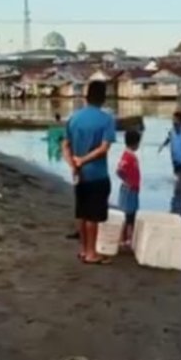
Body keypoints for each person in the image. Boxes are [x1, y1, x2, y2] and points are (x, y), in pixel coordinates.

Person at [62, 80, 116, 264]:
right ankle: (92, 253)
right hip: (97, 174)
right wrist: (84, 160)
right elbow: (104, 148)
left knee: (82, 213)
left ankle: (84, 250)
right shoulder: (106, 119)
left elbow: (65, 145)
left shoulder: (74, 118)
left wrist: (74, 164)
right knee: (93, 215)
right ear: (103, 98)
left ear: (87, 96)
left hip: (79, 175)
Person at [116, 129, 142, 252]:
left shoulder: (130, 155)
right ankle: (124, 240)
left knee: (131, 215)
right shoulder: (128, 156)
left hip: (133, 189)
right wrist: (127, 181)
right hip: (129, 190)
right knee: (128, 215)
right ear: (135, 143)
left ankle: (127, 239)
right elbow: (119, 170)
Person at [158, 111, 181, 183]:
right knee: (177, 176)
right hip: (174, 159)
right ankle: (179, 190)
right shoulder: (171, 132)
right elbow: (167, 140)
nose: (174, 122)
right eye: (173, 120)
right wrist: (161, 146)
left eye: (176, 120)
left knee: (180, 177)